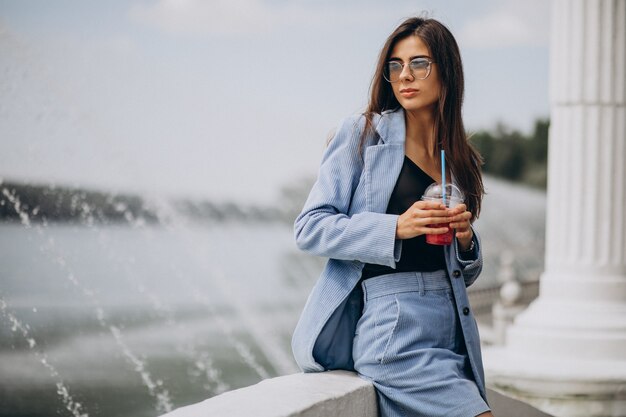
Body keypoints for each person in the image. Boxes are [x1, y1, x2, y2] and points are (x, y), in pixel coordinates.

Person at [291, 16, 493, 417]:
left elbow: (460, 273)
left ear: (447, 72)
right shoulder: (362, 134)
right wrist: (397, 227)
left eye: (419, 63)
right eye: (395, 66)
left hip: (452, 329)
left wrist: (466, 241)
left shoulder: (458, 158)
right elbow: (309, 227)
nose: (405, 76)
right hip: (394, 327)